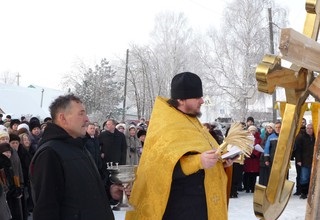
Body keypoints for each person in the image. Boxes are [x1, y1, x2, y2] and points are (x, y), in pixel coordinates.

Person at [126, 72, 234, 220]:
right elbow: (159, 168)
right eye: (197, 97)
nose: (202, 101)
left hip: (201, 206)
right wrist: (198, 161)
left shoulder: (192, 121)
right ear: (181, 99)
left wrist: (222, 160)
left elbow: (203, 154)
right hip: (178, 208)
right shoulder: (165, 124)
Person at [29, 94, 123, 220]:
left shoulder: (78, 146)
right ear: (63, 118)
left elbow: (79, 194)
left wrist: (109, 192)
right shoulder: (50, 153)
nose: (87, 119)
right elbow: (46, 210)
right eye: (81, 114)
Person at [295, 123, 315, 199]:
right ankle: (304, 192)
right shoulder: (302, 138)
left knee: (312, 177)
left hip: (313, 161)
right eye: (308, 128)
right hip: (304, 161)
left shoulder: (315, 138)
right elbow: (298, 150)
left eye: (311, 128)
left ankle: (311, 192)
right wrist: (299, 160)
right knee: (304, 177)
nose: (309, 130)